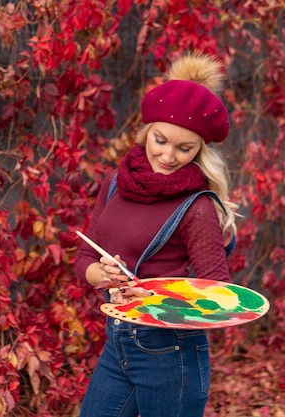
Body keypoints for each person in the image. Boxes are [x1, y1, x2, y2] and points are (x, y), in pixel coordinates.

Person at [74, 53, 239, 417]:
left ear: (201, 151)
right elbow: (83, 259)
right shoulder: (116, 184)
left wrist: (155, 295)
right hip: (117, 340)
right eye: (161, 141)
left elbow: (217, 295)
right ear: (147, 131)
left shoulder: (196, 208)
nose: (168, 156)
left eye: (185, 149)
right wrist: (104, 275)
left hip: (170, 353)